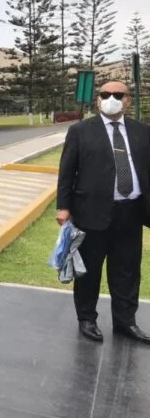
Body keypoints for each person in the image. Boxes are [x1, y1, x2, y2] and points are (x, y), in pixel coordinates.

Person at [57, 81, 150, 344]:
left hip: (131, 213)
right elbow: (67, 172)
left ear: (128, 100)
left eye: (118, 95)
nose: (111, 98)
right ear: (98, 100)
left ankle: (125, 322)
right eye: (105, 94)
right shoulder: (80, 131)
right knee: (90, 270)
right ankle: (87, 319)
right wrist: (63, 207)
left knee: (127, 270)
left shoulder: (143, 132)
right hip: (91, 212)